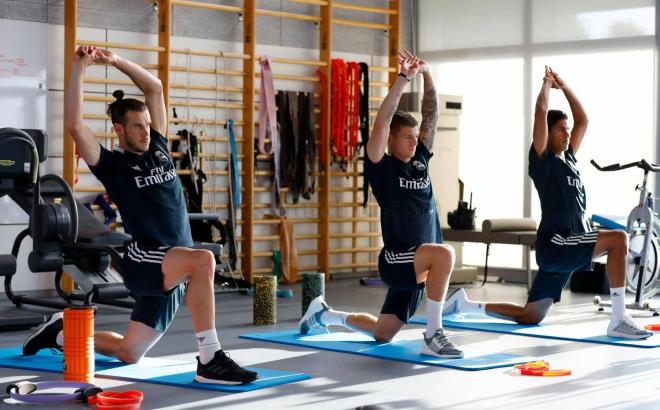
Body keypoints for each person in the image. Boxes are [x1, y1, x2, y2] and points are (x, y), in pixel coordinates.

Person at [22, 45, 258, 384]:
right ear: (118, 130)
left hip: (174, 265)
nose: (146, 131)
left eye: (147, 124)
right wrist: (80, 66)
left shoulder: (159, 147)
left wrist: (115, 60)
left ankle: (59, 333)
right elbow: (75, 124)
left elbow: (155, 88)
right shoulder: (112, 166)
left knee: (130, 352)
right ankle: (210, 359)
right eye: (136, 126)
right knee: (204, 260)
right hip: (146, 257)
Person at [444, 66, 652, 340]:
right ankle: (618, 318)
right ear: (548, 134)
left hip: (568, 244)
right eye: (560, 130)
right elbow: (541, 111)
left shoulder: (570, 160)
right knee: (619, 239)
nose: (567, 134)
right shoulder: (543, 161)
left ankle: (466, 304)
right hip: (557, 243)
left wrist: (564, 87)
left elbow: (583, 121)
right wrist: (545, 84)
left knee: (531, 316)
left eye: (567, 130)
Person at [299, 50, 463, 358]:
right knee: (445, 253)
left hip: (419, 267)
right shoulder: (381, 164)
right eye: (407, 137)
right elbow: (382, 120)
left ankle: (323, 314)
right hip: (398, 258)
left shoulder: (420, 161)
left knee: (382, 334)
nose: (415, 142)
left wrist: (427, 74)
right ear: (390, 140)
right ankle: (433, 334)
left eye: (416, 137)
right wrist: (403, 80)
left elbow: (431, 116)